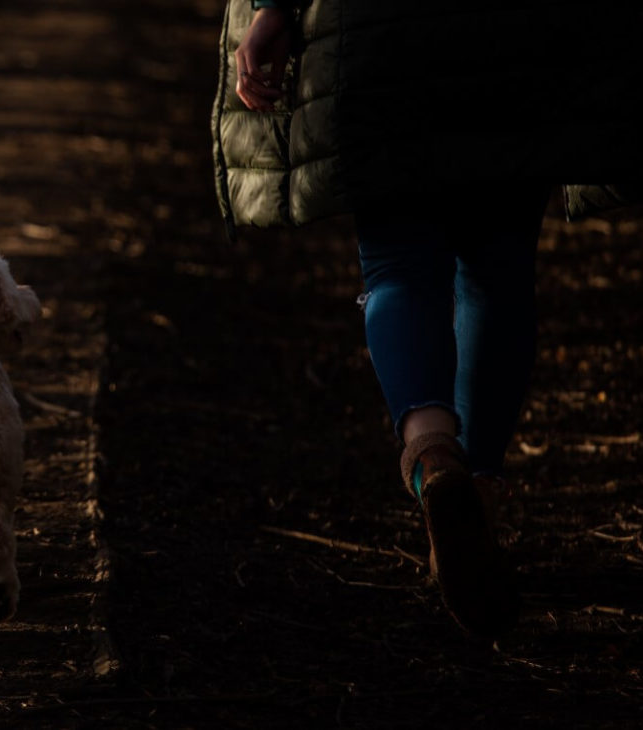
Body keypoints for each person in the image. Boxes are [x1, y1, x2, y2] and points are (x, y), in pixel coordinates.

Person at [217, 0, 643, 636]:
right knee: (497, 273)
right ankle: (482, 492)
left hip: (379, 39)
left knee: (398, 267)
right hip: (517, 40)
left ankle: (432, 455)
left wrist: (272, 11)